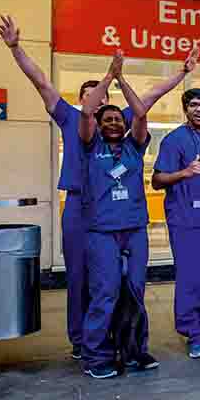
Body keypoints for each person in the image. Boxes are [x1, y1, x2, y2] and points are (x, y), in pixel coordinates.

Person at [0, 15, 199, 360]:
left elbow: (150, 96)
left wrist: (182, 73)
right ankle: (81, 340)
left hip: (114, 210)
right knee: (79, 275)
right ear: (82, 100)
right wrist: (16, 49)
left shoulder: (116, 122)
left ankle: (119, 338)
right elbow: (41, 81)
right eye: (91, 96)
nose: (98, 100)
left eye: (102, 96)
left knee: (113, 280)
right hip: (79, 205)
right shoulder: (71, 117)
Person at [78, 51, 156, 378]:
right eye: (107, 119)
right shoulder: (90, 146)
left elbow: (141, 112)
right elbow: (86, 111)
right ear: (98, 125)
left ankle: (134, 350)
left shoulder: (134, 147)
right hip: (102, 232)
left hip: (135, 230)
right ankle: (96, 357)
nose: (113, 123)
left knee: (136, 292)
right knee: (105, 293)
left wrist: (122, 79)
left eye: (117, 120)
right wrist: (108, 76)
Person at [151, 88, 200, 359]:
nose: (199, 110)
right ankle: (194, 333)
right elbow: (157, 181)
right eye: (194, 105)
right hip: (186, 220)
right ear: (185, 109)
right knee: (190, 279)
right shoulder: (174, 140)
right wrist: (184, 172)